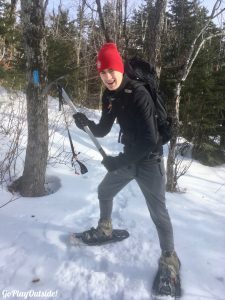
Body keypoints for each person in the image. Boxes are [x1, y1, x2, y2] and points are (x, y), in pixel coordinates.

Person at [73, 43, 180, 290]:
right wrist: (86, 124)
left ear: (120, 68)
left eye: (111, 70)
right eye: (102, 73)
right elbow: (103, 129)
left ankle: (170, 258)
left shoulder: (139, 94)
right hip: (129, 156)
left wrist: (118, 161)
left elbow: (150, 140)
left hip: (149, 160)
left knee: (158, 213)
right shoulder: (109, 95)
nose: (108, 77)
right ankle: (105, 229)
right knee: (104, 191)